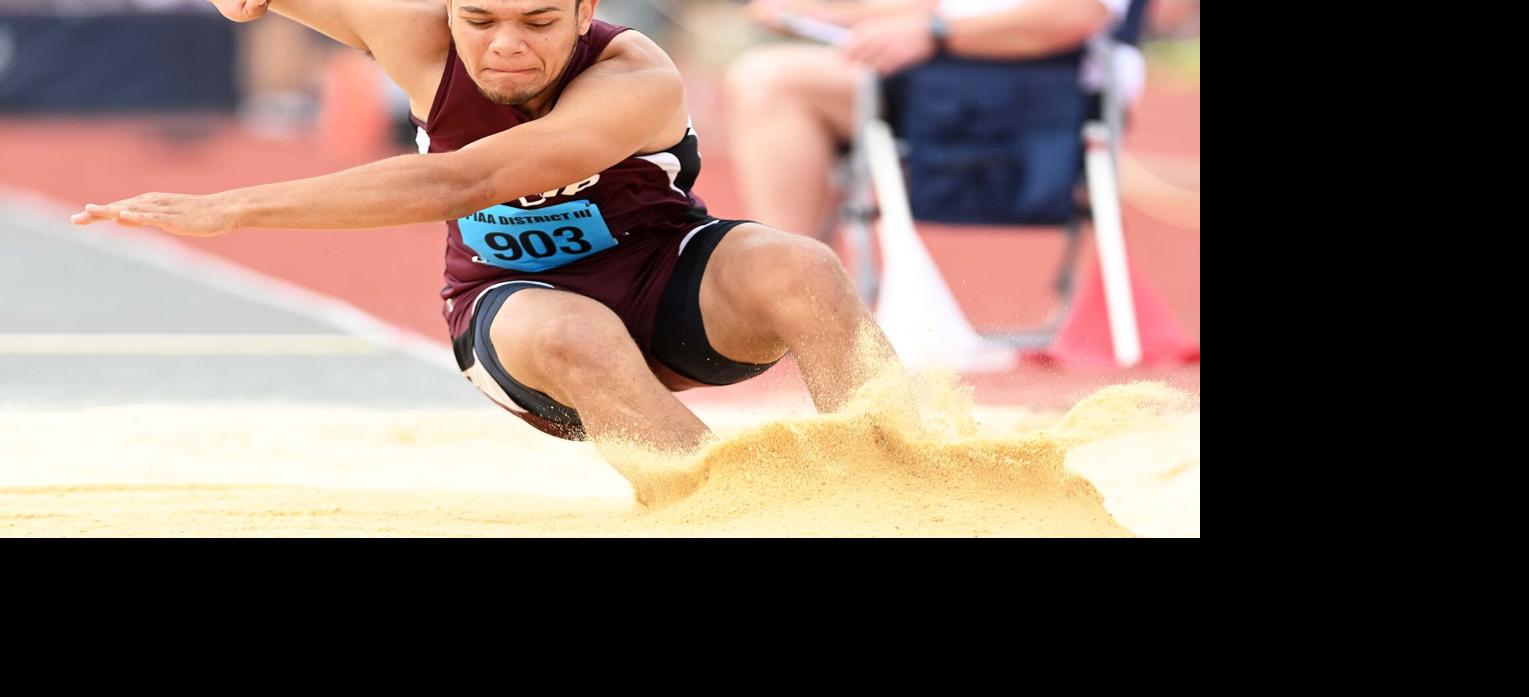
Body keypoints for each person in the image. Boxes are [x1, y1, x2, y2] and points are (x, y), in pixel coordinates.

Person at [72, 0, 904, 459]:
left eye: (537, 23)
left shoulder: (634, 76)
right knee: (577, 331)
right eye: (480, 21)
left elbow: (464, 179)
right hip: (521, 315)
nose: (506, 46)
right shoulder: (411, 33)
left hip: (668, 291)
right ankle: (720, 505)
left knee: (801, 265)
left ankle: (905, 465)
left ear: (583, 11)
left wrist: (234, 208)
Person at [726, 0, 1135, 238]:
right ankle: (796, 282)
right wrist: (825, 13)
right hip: (942, 79)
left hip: (1023, 97)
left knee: (768, 81)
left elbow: (1078, 12)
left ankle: (785, 287)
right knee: (769, 79)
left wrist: (936, 32)